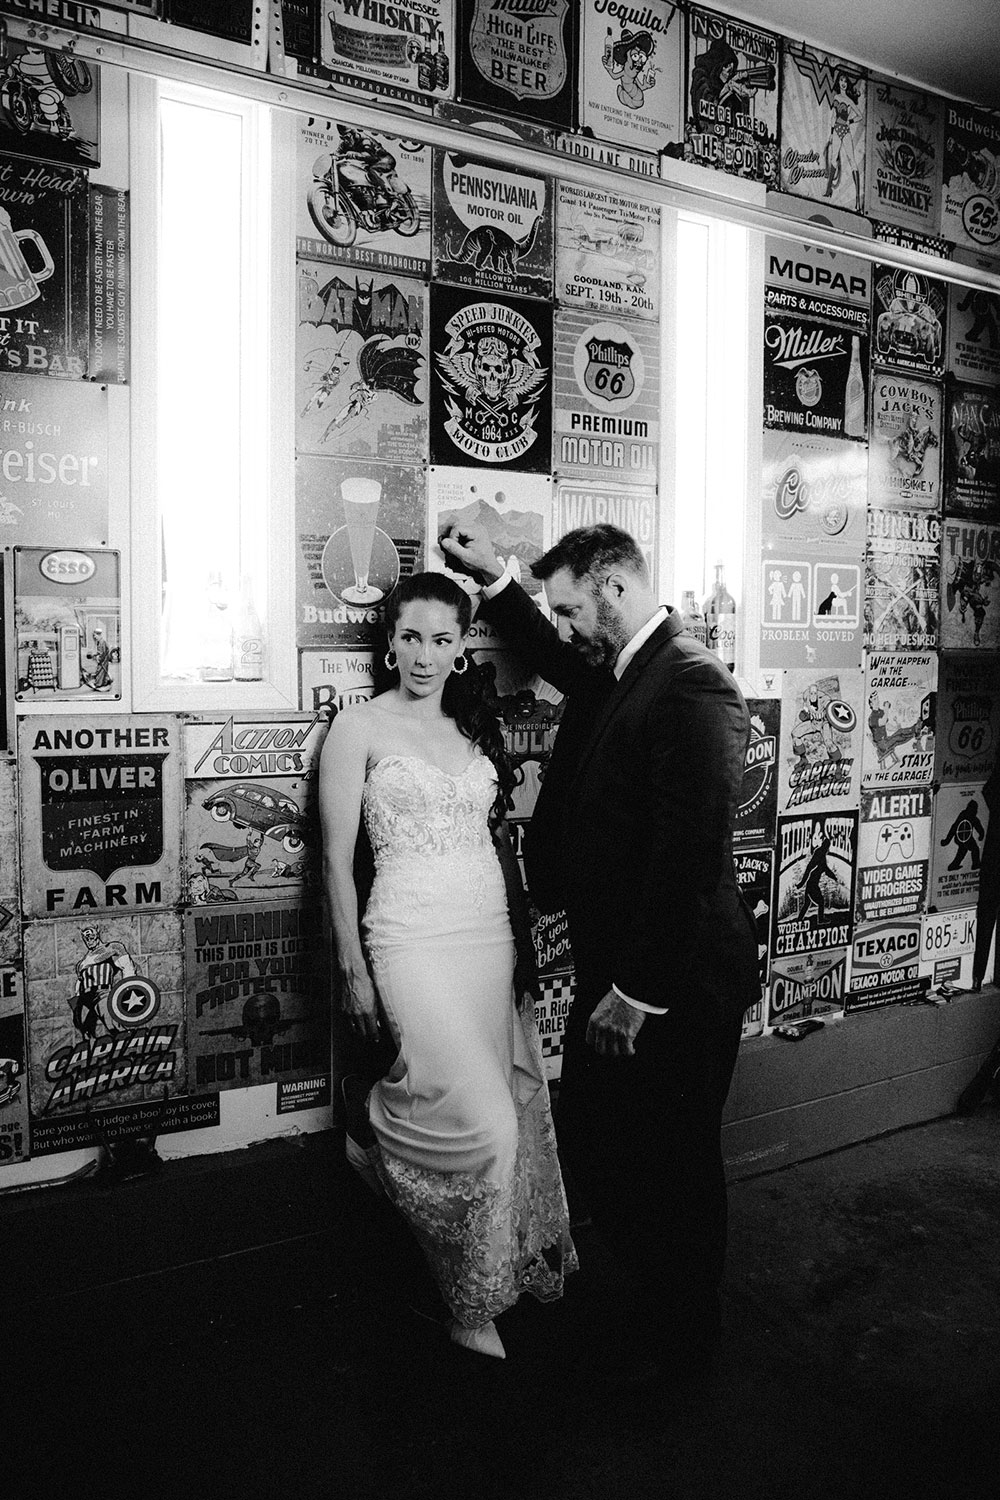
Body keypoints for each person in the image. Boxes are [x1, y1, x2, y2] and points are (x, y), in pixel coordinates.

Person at [439, 521, 760, 1392]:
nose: (568, 627)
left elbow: (688, 857)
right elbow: (552, 649)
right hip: (619, 965)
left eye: (575, 608)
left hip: (672, 981)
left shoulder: (691, 687)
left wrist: (637, 993)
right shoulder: (626, 668)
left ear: (615, 588)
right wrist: (499, 579)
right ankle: (648, 1310)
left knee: (679, 1162)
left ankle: (686, 1350)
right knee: (609, 1142)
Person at [319, 571, 576, 1361]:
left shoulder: (473, 727)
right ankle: (466, 1302)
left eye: (442, 639)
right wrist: (353, 970)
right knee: (489, 1127)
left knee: (499, 1104)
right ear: (388, 640)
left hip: (485, 937)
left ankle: (382, 1152)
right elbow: (333, 863)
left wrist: (524, 951)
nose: (424, 655)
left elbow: (498, 848)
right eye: (410, 637)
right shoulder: (357, 728)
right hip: (407, 937)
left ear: (462, 645)